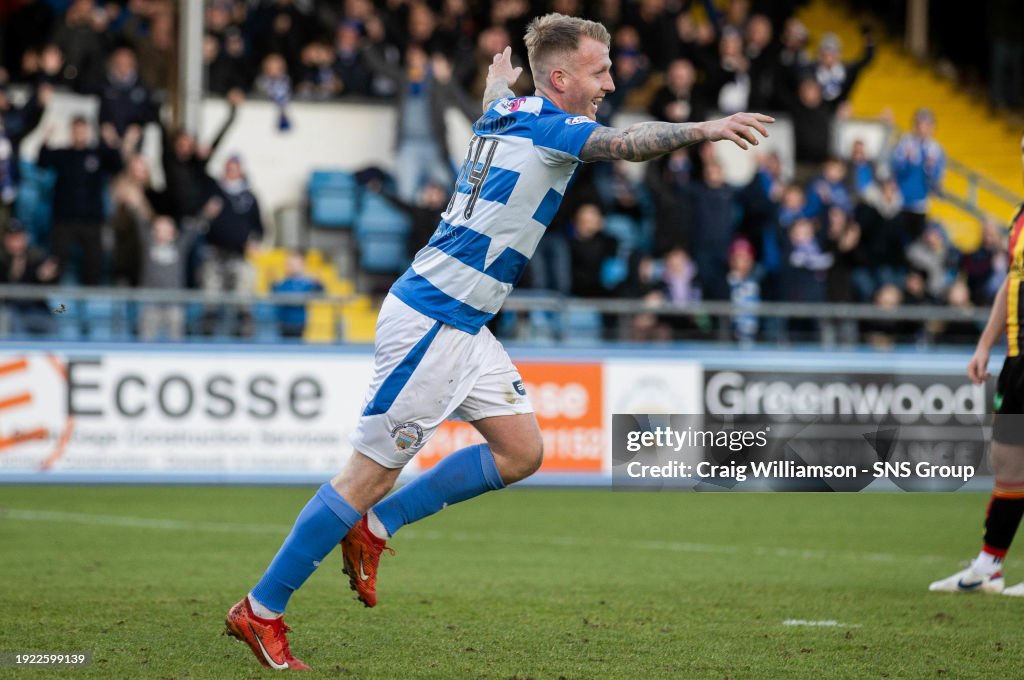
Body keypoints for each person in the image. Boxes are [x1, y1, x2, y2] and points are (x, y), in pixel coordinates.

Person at [224, 13, 773, 670]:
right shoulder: (551, 128)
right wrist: (703, 129)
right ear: (562, 78)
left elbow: (504, 105)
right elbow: (628, 144)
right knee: (367, 474)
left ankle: (377, 528)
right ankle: (261, 609)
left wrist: (496, 84)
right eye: (599, 72)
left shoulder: (507, 112)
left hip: (464, 323)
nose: (609, 81)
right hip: (433, 319)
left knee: (521, 450)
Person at [929, 133, 1024, 597]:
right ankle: (991, 565)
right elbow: (1012, 281)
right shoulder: (1020, 216)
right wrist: (986, 345)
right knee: (1008, 460)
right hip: (1018, 355)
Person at [271, 250, 324, 339]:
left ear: (302, 266)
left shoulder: (306, 283)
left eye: (294, 264)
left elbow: (320, 290)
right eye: (289, 264)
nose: (291, 267)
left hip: (298, 323)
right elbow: (276, 293)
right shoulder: (282, 283)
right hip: (283, 322)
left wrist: (318, 283)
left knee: (295, 345)